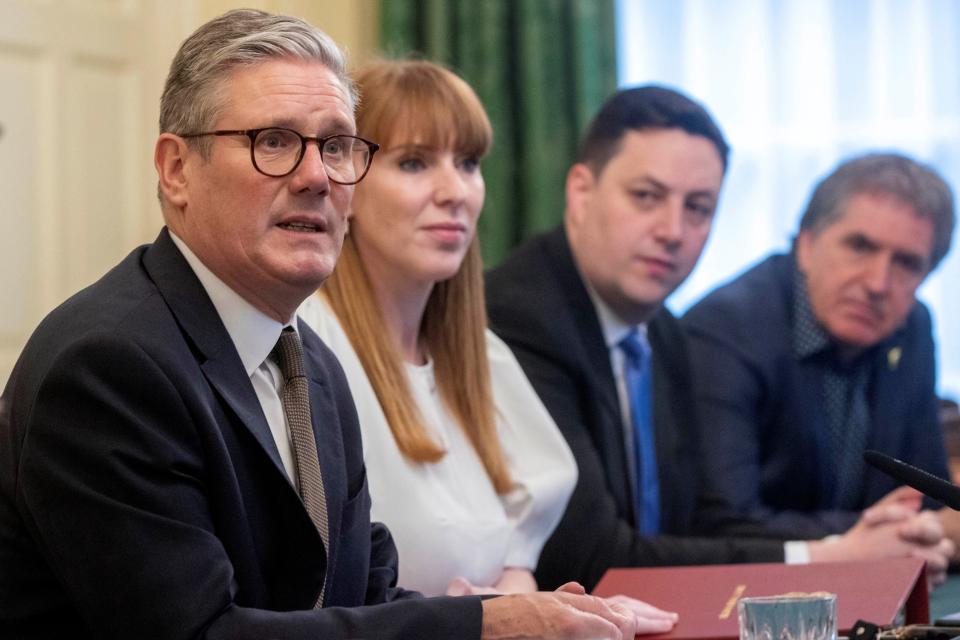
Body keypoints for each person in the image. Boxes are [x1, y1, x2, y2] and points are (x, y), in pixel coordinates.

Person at [0, 10, 644, 639]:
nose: (316, 177)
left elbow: (364, 597)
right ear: (176, 169)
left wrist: (545, 620)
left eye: (336, 146)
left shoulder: (310, 363)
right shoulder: (109, 365)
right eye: (272, 141)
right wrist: (484, 625)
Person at [485, 86, 954, 592]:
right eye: (646, 196)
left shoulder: (657, 329)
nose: (672, 230)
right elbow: (596, 557)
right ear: (580, 192)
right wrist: (838, 551)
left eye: (699, 208)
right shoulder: (525, 317)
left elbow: (679, 523)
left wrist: (912, 532)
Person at [298, 58, 678, 633]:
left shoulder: (484, 358)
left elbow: (518, 556)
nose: (455, 192)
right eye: (414, 162)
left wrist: (522, 599)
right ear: (347, 179)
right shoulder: (307, 349)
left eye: (469, 163)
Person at [682, 153, 958, 542]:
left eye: (907, 263)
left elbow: (928, 494)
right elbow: (723, 523)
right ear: (806, 245)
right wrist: (887, 536)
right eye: (860, 246)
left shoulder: (911, 325)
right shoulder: (725, 330)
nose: (878, 283)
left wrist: (931, 525)